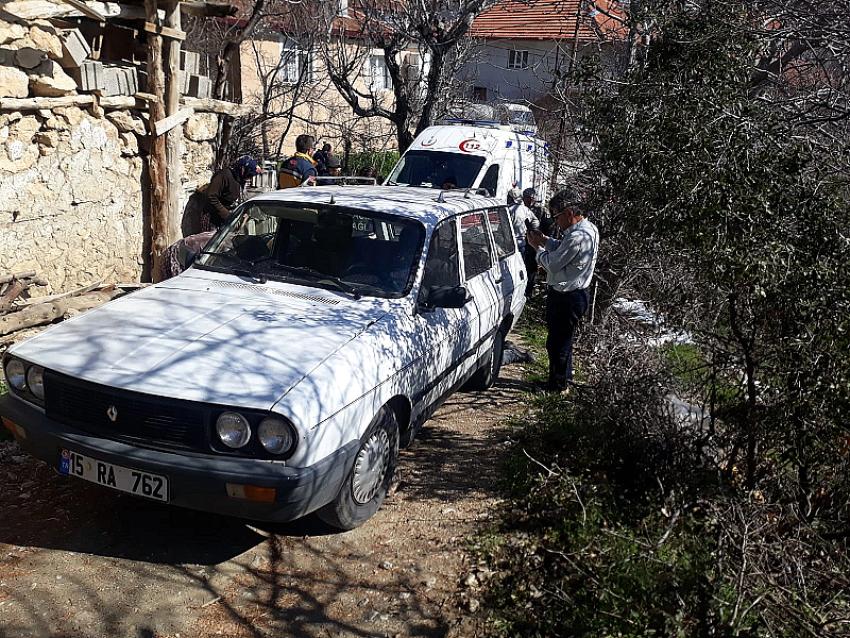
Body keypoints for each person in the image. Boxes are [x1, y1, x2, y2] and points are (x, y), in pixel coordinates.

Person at [526, 187, 599, 392]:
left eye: (556, 216)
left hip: (567, 297)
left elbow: (553, 264)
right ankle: (562, 379)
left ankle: (557, 386)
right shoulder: (586, 230)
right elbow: (563, 249)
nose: (555, 221)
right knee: (562, 341)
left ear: (568, 213)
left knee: (557, 343)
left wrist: (536, 248)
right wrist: (546, 241)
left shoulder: (578, 236)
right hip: (574, 294)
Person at [181, 156, 262, 236]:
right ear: (242, 169)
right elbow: (211, 196)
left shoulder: (240, 179)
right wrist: (227, 215)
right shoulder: (224, 176)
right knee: (211, 245)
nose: (250, 179)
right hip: (213, 220)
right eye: (249, 175)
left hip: (227, 221)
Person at [507, 188, 540, 297]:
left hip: (510, 244)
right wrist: (530, 230)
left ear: (511, 197)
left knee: (511, 268)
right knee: (520, 267)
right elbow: (535, 221)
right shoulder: (524, 209)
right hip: (522, 243)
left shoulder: (509, 210)